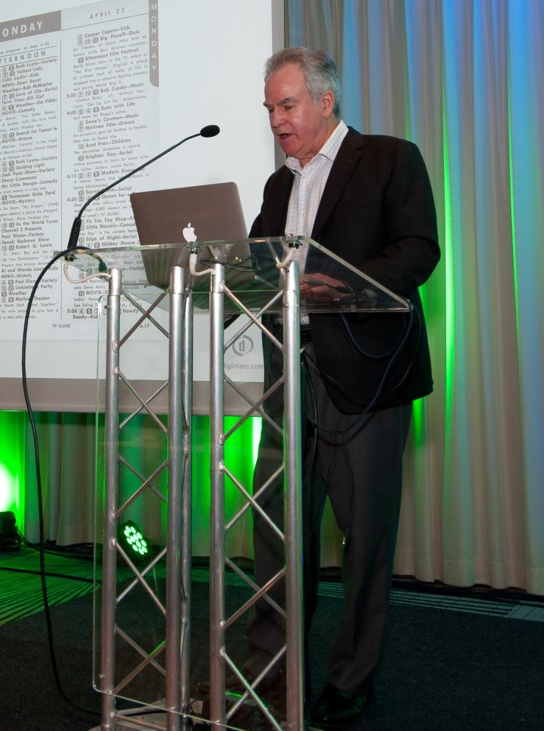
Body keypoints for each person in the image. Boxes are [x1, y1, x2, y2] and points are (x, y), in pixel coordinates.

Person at [243, 47, 440, 729]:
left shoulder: (389, 159)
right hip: (288, 380)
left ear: (324, 102)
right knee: (276, 533)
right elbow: (256, 267)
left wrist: (346, 286)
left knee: (365, 539)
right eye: (269, 108)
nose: (276, 119)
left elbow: (418, 249)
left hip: (366, 377)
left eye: (286, 104)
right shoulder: (277, 187)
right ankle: (270, 669)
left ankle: (350, 680)